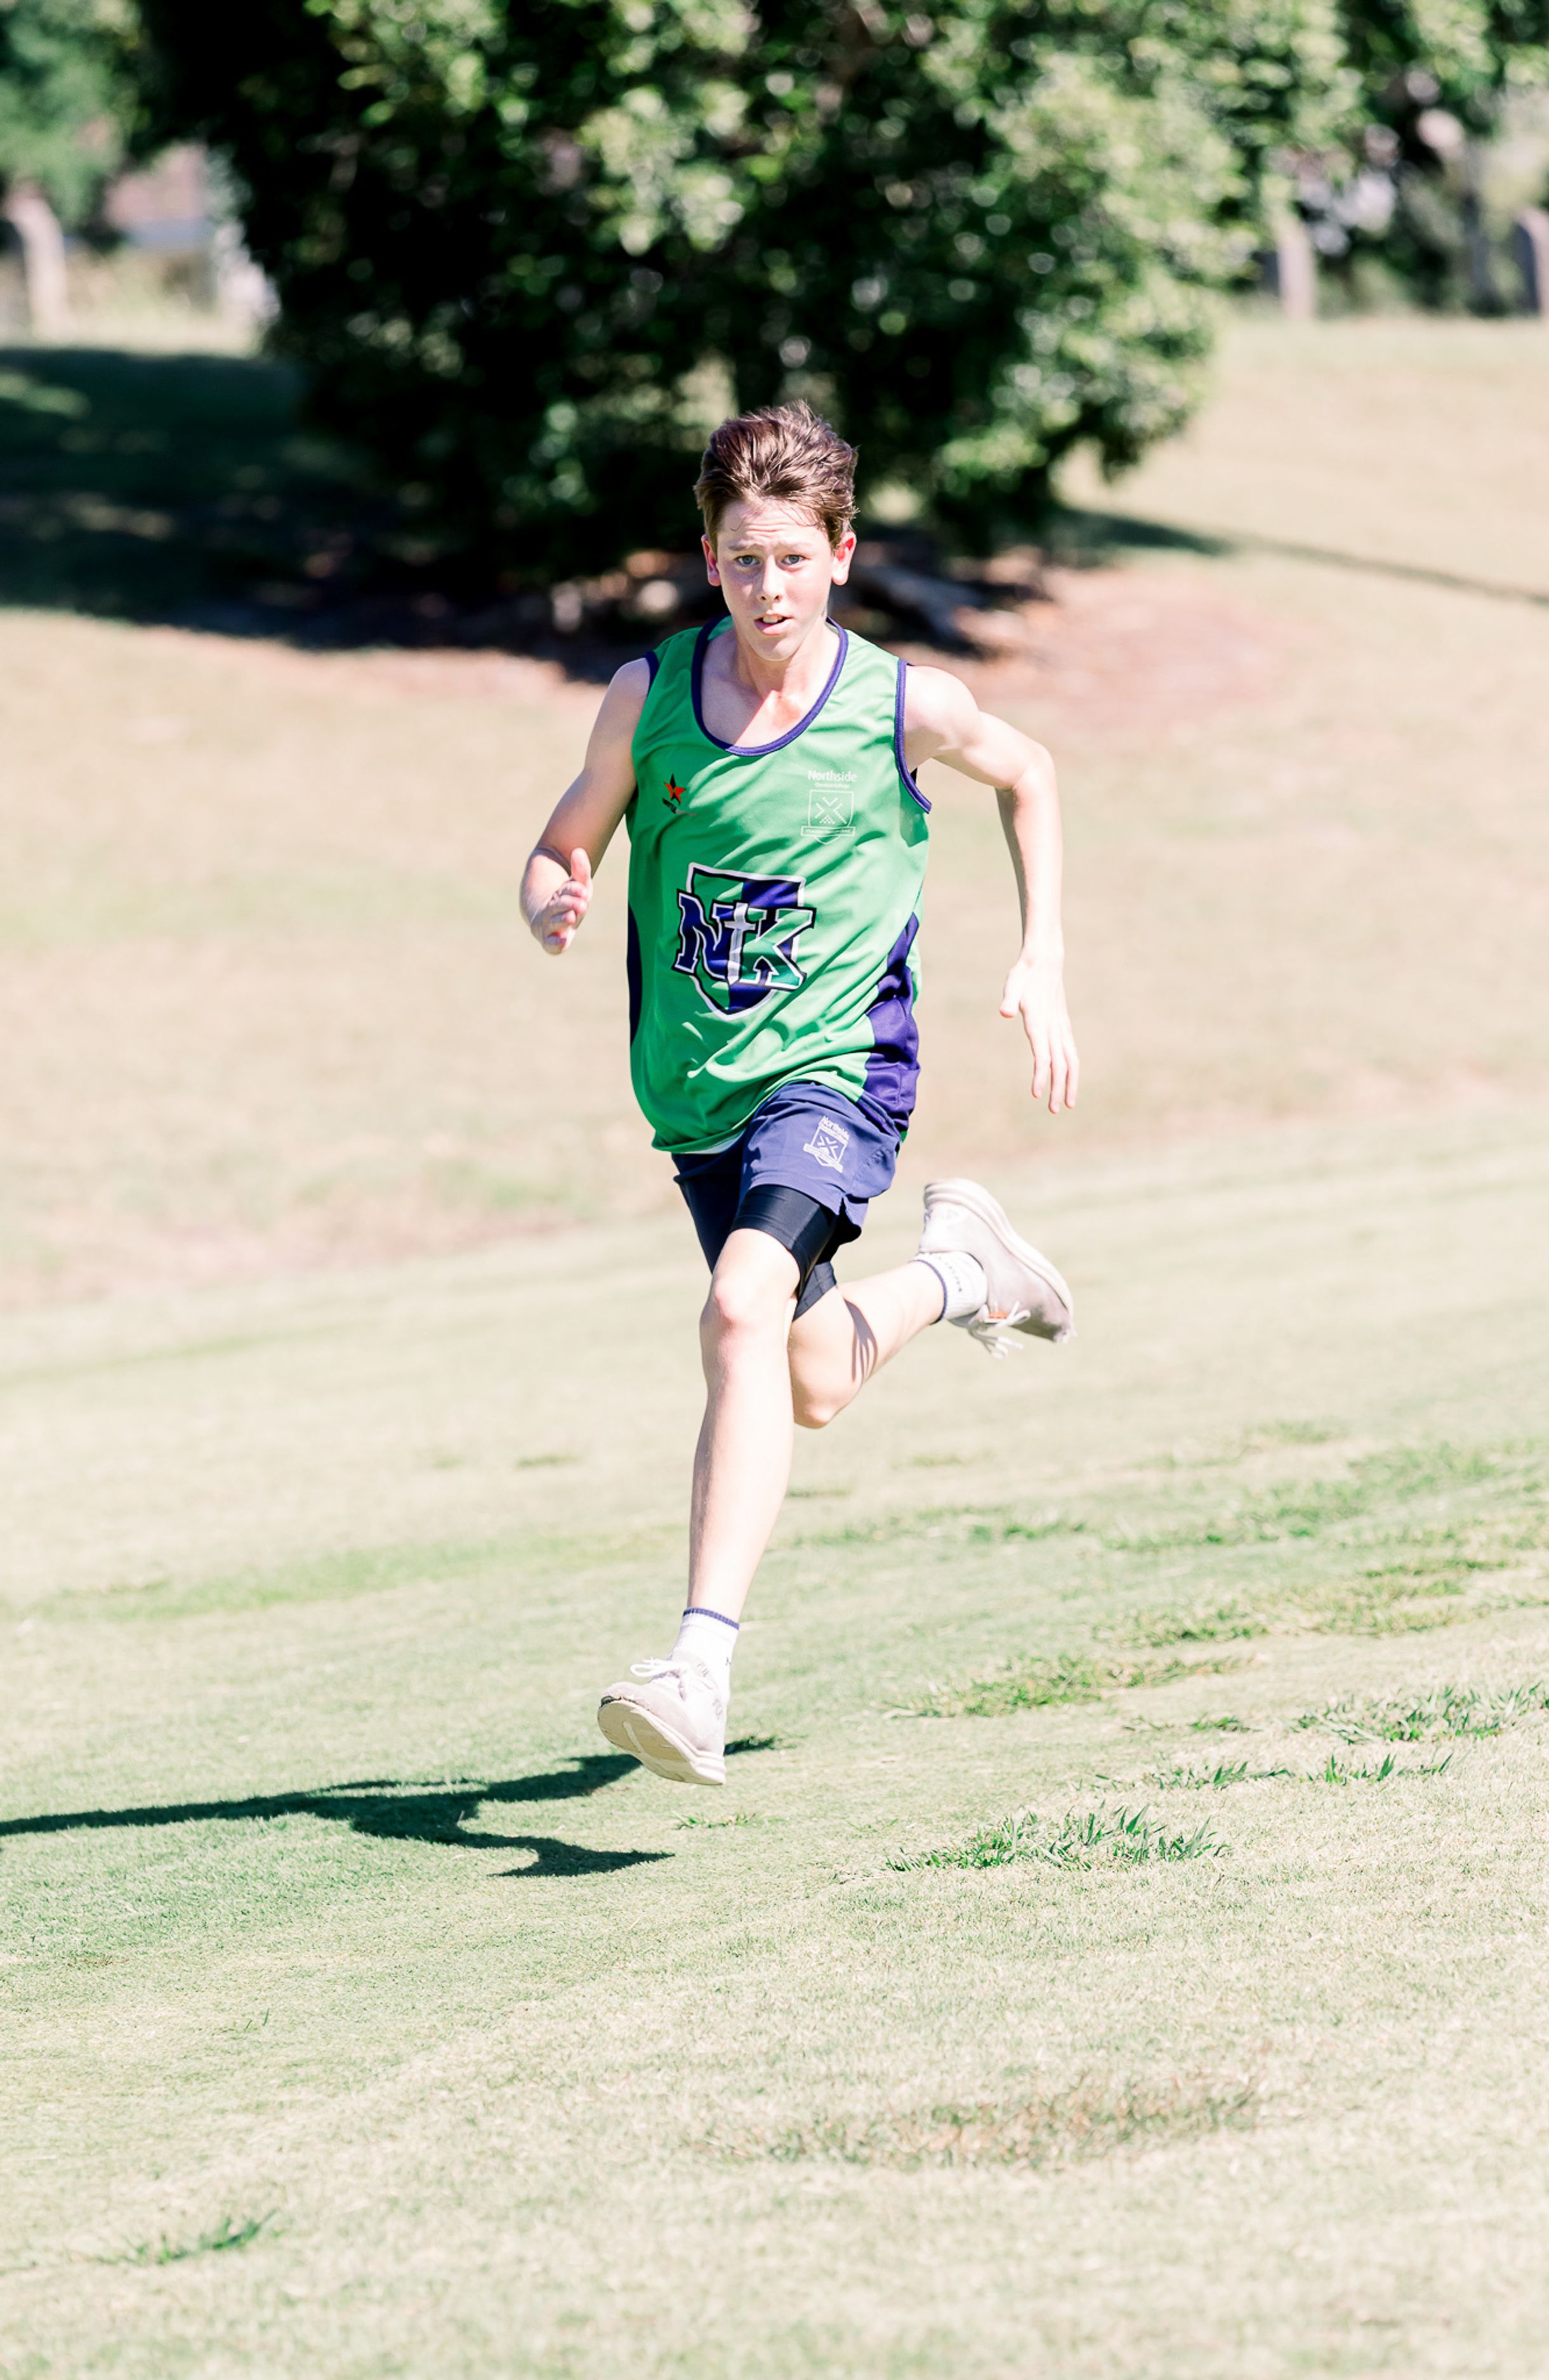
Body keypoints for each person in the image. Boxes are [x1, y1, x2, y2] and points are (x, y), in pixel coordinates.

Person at [520, 402, 1078, 1787]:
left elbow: (1029, 772)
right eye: (740, 559)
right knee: (810, 1376)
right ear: (707, 557)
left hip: (838, 1074)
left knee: (737, 1305)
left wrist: (1042, 956)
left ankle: (696, 1669)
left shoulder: (898, 705)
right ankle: (965, 1273)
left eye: (790, 558)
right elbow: (565, 835)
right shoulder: (648, 696)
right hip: (700, 1100)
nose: (766, 588)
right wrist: (551, 891)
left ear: (839, 553)